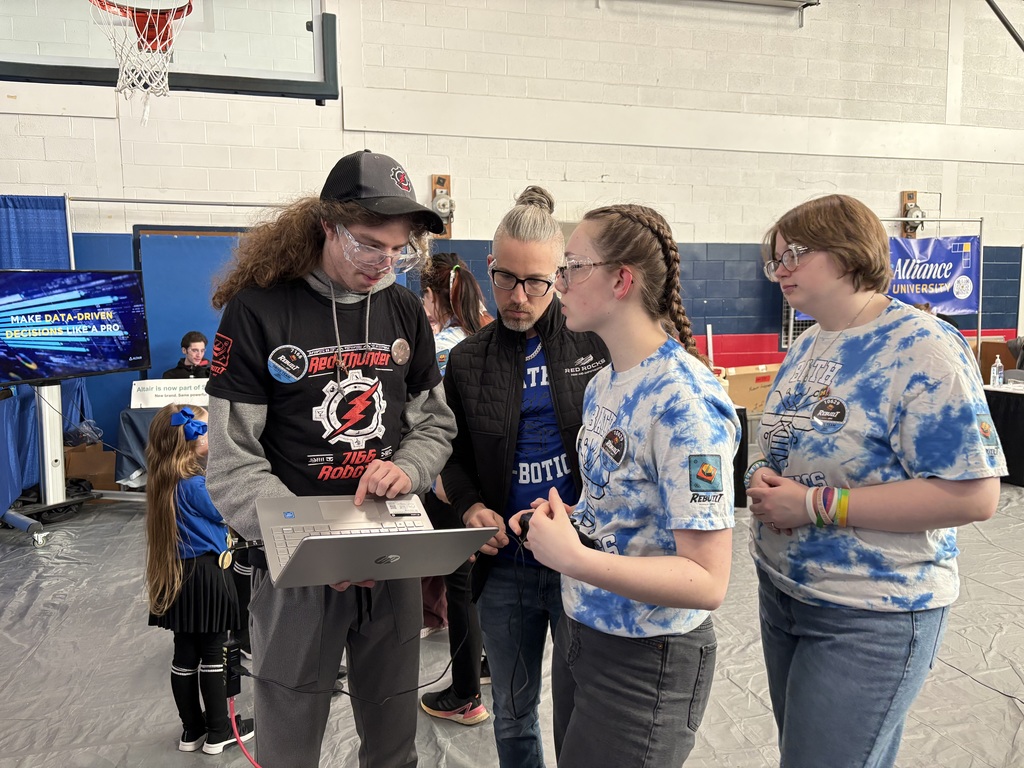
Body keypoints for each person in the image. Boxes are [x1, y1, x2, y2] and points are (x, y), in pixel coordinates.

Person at [204, 149, 454, 768]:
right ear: (326, 226)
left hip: (390, 549)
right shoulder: (259, 309)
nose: (384, 265)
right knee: (290, 739)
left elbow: (434, 423)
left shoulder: (401, 308)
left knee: (394, 737)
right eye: (370, 245)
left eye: (399, 251)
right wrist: (314, 547)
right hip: (297, 564)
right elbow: (233, 463)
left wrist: (411, 468)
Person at [745, 194, 1006, 768]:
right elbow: (785, 444)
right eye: (775, 259)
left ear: (848, 253)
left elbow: (975, 494)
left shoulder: (924, 348)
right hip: (786, 594)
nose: (780, 269)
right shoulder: (809, 342)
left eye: (794, 255)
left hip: (870, 613)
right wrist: (762, 474)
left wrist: (813, 504)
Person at [514, 204, 740, 767]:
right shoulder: (603, 383)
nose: (558, 283)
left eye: (572, 268)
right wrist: (565, 519)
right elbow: (613, 508)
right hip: (585, 631)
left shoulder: (684, 404)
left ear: (622, 280)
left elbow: (707, 580)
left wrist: (574, 559)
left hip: (648, 655)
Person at [440, 186, 609, 767]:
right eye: (506, 279)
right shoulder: (467, 361)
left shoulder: (596, 343)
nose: (519, 296)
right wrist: (468, 508)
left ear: (560, 276)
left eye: (536, 282)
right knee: (513, 716)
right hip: (506, 568)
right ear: (489, 268)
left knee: (581, 714)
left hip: (581, 564)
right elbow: (450, 454)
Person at [144, 403, 255, 756]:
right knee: (215, 652)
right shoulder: (196, 485)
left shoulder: (162, 479)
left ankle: (192, 730)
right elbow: (230, 511)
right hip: (209, 574)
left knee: (185, 653)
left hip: (178, 576)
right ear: (192, 439)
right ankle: (220, 730)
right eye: (208, 430)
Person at [418, 252, 494, 725]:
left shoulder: (443, 345)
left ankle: (466, 694)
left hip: (451, 481)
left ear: (435, 295)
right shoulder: (486, 333)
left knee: (461, 585)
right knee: (479, 579)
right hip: (484, 480)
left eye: (423, 296)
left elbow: (433, 424)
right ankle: (482, 665)